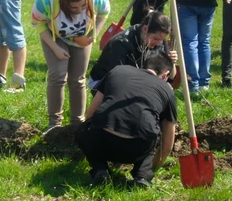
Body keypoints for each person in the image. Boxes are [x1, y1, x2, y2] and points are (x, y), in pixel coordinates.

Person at [76, 52, 177, 188]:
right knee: (152, 136)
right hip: (136, 149)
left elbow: (90, 114)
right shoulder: (167, 90)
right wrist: (154, 168)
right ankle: (143, 174)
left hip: (101, 142)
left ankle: (100, 169)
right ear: (165, 75)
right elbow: (167, 143)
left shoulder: (117, 70)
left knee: (83, 130)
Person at [32, 0, 110, 132]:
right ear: (64, 3)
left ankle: (78, 123)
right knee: (58, 75)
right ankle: (54, 124)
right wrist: (55, 47)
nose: (79, 10)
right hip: (55, 37)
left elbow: (104, 12)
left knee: (78, 79)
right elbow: (37, 23)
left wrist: (92, 35)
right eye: (74, 7)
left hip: (82, 37)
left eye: (83, 6)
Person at [89, 10, 177, 91]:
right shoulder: (121, 42)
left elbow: (169, 80)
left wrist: (170, 62)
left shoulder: (160, 41)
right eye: (155, 39)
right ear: (145, 29)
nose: (159, 43)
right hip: (102, 82)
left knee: (166, 90)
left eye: (161, 40)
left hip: (137, 82)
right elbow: (116, 79)